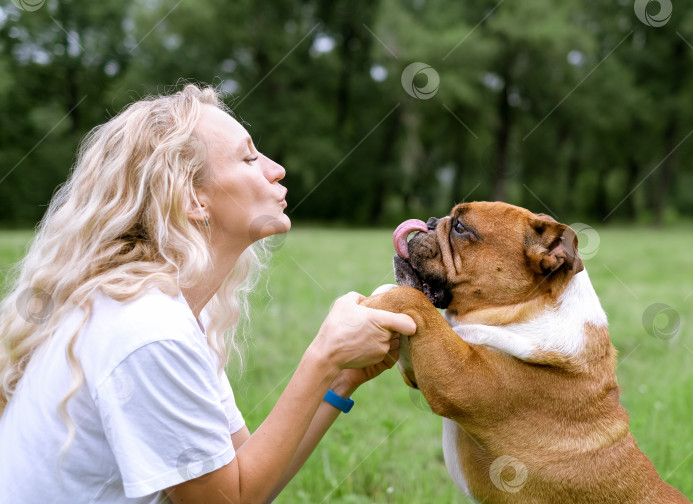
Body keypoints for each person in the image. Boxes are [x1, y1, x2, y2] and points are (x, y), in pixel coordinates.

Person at [0, 84, 416, 503]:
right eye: (249, 157)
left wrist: (340, 378)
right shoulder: (148, 329)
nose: (276, 169)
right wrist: (322, 356)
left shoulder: (159, 310)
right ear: (192, 198)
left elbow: (246, 475)